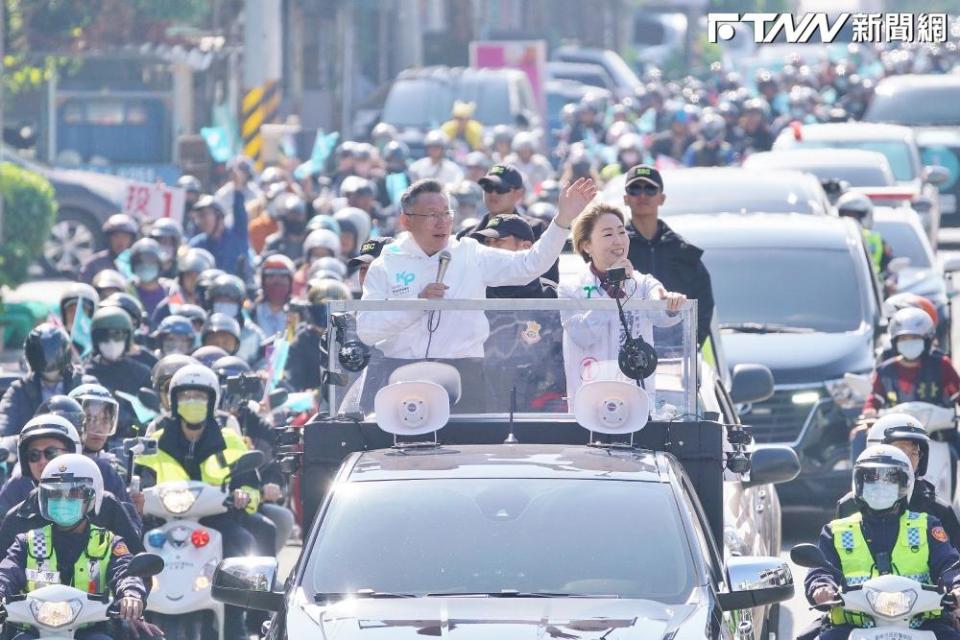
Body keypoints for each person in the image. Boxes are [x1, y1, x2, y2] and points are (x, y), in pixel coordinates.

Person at [357, 177, 596, 412]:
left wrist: (562, 219)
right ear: (405, 220)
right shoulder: (386, 264)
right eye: (431, 215)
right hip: (400, 373)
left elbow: (530, 264)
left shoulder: (469, 253)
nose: (442, 223)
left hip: (464, 373)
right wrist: (417, 305)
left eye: (446, 214)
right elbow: (367, 331)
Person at [134, 364, 269, 639]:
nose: (192, 402)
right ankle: (127, 620)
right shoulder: (154, 442)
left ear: (212, 400)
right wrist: (136, 498)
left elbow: (251, 486)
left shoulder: (230, 440)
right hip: (162, 522)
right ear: (173, 401)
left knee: (244, 544)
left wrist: (245, 496)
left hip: (216, 521)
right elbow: (140, 482)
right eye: (185, 396)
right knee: (130, 554)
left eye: (200, 396)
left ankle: (243, 624)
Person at [804, 445, 960, 639]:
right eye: (871, 479)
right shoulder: (837, 531)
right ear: (858, 484)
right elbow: (821, 570)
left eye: (890, 480)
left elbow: (949, 564)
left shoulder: (926, 526)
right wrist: (821, 587)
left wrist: (956, 586)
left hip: (922, 625)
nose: (880, 487)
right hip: (851, 626)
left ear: (905, 484)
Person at [0, 454, 148, 640]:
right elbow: (6, 572)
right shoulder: (27, 542)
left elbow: (125, 571)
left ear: (93, 497)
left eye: (73, 493)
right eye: (54, 493)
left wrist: (131, 593)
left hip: (91, 630)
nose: (62, 500)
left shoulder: (107, 542)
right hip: (33, 631)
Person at [559, 202, 686, 411]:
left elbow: (660, 311)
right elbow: (583, 335)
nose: (618, 240)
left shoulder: (643, 282)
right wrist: (613, 289)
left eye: (622, 232)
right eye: (608, 235)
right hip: (590, 403)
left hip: (635, 401)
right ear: (586, 246)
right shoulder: (570, 288)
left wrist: (671, 304)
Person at [0, 415, 143, 556]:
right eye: (34, 455)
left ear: (73, 452)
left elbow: (136, 566)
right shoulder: (18, 517)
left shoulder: (107, 506)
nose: (42, 461)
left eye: (51, 453)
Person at [837, 413, 960, 548]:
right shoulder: (849, 505)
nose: (908, 459)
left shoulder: (938, 509)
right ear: (875, 450)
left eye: (914, 453)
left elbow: (954, 564)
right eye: (901, 450)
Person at [623, 165, 714, 346]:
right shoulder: (612, 249)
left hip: (674, 361)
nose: (642, 195)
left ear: (662, 198)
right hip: (623, 357)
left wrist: (684, 349)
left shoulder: (684, 252)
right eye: (635, 189)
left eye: (650, 189)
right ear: (626, 198)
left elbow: (703, 308)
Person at [0, 324, 82, 437]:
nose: (50, 360)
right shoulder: (19, 390)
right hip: (37, 451)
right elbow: (4, 423)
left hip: (78, 451)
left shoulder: (82, 382)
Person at [82, 307, 152, 437]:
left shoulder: (142, 373)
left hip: (132, 440)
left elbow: (150, 418)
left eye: (118, 336)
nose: (111, 343)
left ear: (127, 338)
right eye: (105, 337)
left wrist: (131, 423)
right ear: (95, 339)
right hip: (92, 437)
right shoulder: (85, 373)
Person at [472, 215, 554, 299]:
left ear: (526, 247)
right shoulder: (474, 292)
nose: (489, 248)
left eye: (498, 241)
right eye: (487, 242)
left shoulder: (552, 295)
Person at [188, 187, 251, 279]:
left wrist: (238, 190)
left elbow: (240, 213)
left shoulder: (238, 236)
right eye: (199, 217)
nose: (201, 221)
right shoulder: (197, 244)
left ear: (219, 216)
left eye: (204, 215)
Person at [79, 214, 138, 284]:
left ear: (132, 240)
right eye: (116, 236)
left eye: (125, 237)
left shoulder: (137, 263)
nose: (121, 241)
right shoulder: (94, 264)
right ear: (108, 239)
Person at [128, 238, 170, 320]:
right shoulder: (127, 290)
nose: (145, 265)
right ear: (133, 265)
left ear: (159, 264)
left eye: (150, 261)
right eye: (140, 261)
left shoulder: (171, 290)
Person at [254, 255, 295, 338]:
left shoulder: (298, 314)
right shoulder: (252, 314)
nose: (276, 282)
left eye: (283, 277)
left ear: (290, 282)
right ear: (263, 281)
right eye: (271, 277)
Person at [262, 193, 309, 262]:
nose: (295, 218)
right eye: (292, 215)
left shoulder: (309, 244)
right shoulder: (274, 243)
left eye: (298, 215)